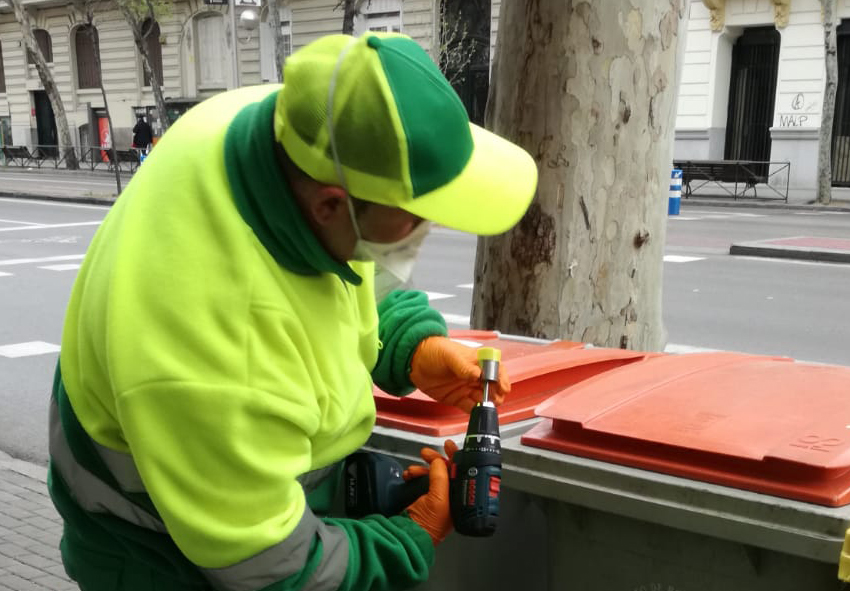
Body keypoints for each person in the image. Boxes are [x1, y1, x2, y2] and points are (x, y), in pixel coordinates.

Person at [48, 33, 537, 591]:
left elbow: (345, 266)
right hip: (158, 553)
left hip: (220, 475)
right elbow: (270, 567)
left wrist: (411, 345)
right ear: (332, 203)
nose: (434, 227)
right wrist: (408, 539)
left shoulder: (276, 131)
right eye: (418, 216)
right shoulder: (211, 352)